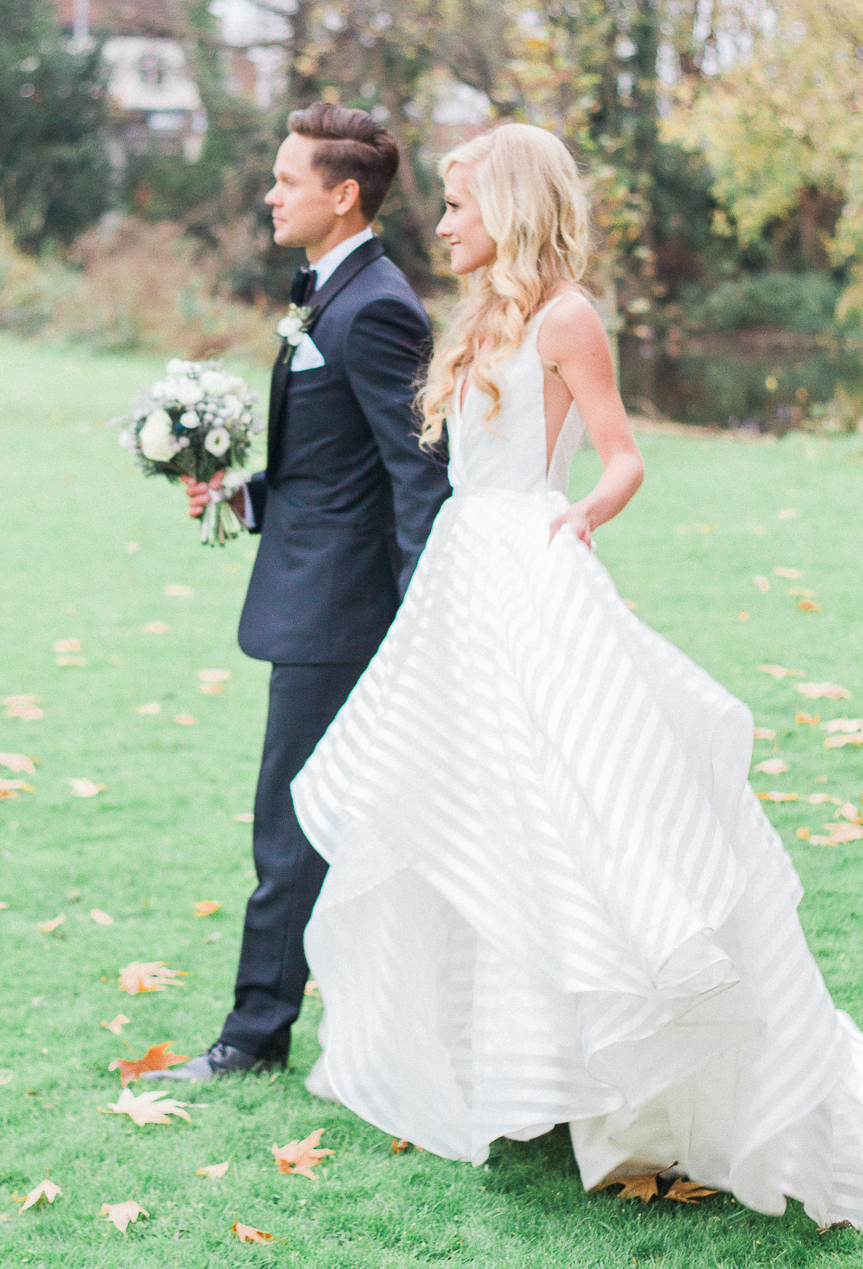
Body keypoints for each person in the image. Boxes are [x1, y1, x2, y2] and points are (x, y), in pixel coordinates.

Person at [290, 122, 863, 1230]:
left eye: (458, 206)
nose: (443, 224)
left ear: (506, 208)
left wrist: (578, 520)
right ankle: (522, 1076)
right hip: (465, 584)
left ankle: (628, 1078)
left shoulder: (566, 318)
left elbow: (624, 453)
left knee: (577, 814)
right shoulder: (481, 319)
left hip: (533, 577)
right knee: (488, 818)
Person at [148, 102, 451, 1084]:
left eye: (287, 178)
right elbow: (331, 468)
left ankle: (251, 1037)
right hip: (316, 591)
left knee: (289, 827)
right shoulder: (332, 291)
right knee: (313, 821)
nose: (272, 193)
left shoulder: (378, 307)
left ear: (343, 192)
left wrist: (425, 619)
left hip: (346, 615)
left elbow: (416, 476)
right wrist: (242, 495)